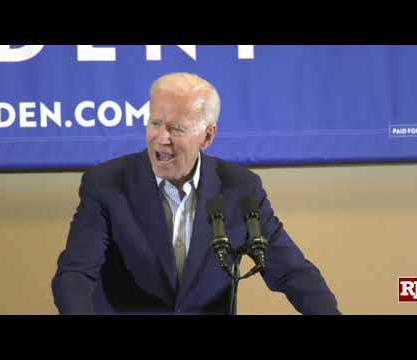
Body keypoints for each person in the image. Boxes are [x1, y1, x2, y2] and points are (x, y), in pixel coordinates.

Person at [52, 72, 340, 315]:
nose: (161, 138)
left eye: (176, 128)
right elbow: (75, 274)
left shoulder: (240, 189)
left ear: (208, 136)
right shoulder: (107, 184)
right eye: (155, 123)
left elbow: (292, 272)